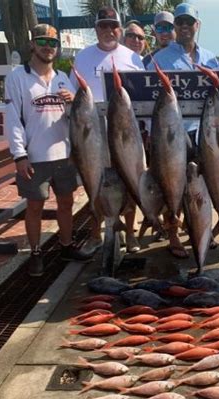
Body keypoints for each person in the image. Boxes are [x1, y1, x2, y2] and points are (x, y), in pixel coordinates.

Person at [5, 24, 92, 277]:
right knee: (35, 207)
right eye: (42, 41)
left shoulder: (63, 79)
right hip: (34, 157)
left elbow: (75, 119)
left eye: (53, 43)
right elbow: (12, 118)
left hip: (64, 155)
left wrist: (72, 103)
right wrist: (19, 154)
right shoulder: (17, 76)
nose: (48, 47)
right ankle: (35, 252)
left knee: (66, 203)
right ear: (32, 44)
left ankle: (66, 246)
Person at [146, 2, 218, 259]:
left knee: (202, 187)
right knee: (171, 184)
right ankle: (174, 235)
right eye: (180, 23)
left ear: (196, 25)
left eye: (189, 22)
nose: (185, 27)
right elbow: (147, 101)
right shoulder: (159, 59)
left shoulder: (210, 57)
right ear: (175, 27)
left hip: (204, 134)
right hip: (173, 136)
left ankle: (200, 230)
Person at [71, 6, 144, 254]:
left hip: (126, 134)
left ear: (120, 29)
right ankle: (95, 234)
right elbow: (73, 94)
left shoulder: (134, 58)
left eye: (113, 25)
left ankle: (131, 234)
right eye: (103, 25)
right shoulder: (82, 57)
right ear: (96, 29)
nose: (108, 30)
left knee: (130, 180)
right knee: (95, 183)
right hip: (93, 134)